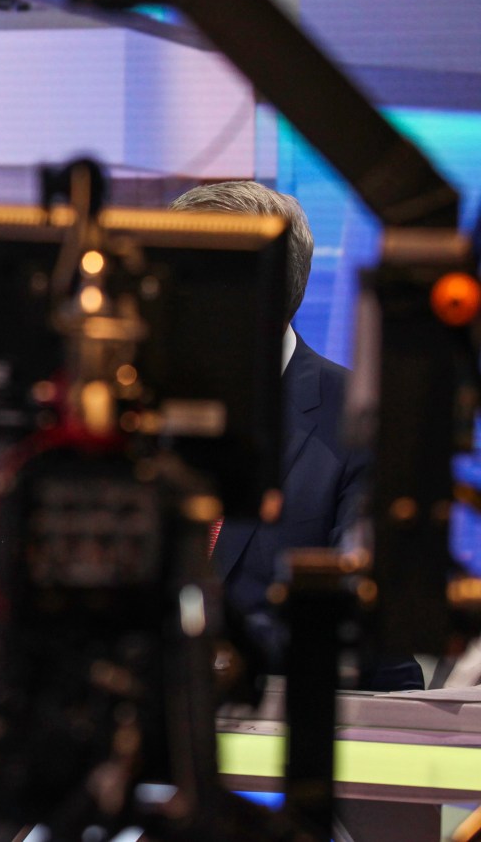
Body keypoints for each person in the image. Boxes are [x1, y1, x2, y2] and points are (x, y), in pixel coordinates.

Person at [171, 180, 422, 691]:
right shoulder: (140, 409)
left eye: (195, 272)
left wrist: (201, 648)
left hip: (323, 726)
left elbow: (362, 625)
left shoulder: (361, 421)